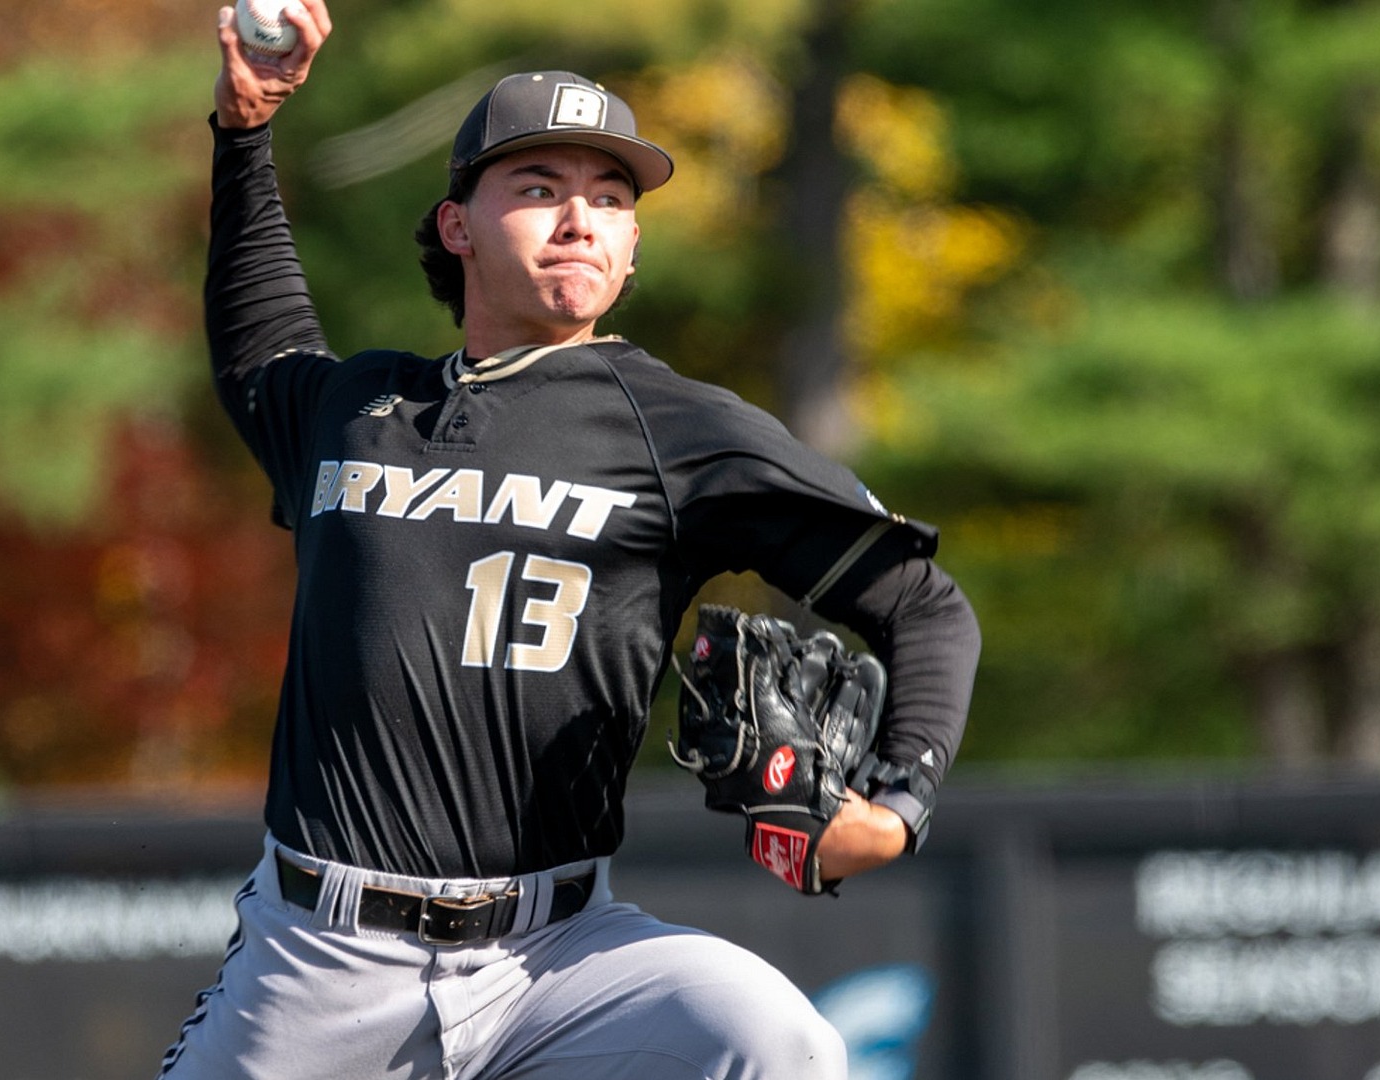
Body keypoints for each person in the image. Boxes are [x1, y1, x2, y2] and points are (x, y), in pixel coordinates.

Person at [158, 3, 981, 1077]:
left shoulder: (681, 429)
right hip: (323, 958)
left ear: (634, 247)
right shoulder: (359, 412)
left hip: (563, 958)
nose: (579, 218)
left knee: (778, 1043)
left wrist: (899, 800)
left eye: (609, 197)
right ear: (457, 226)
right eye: (538, 188)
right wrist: (245, 130)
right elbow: (260, 334)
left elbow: (924, 605)